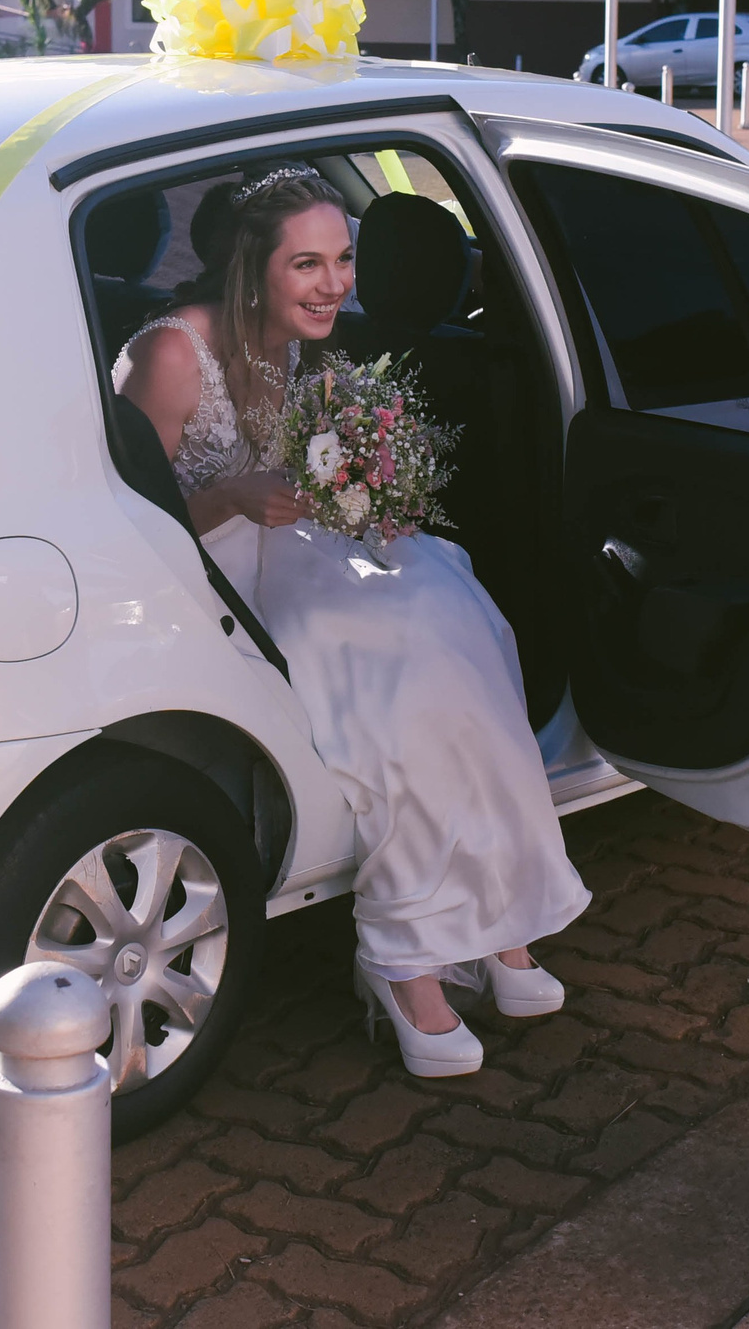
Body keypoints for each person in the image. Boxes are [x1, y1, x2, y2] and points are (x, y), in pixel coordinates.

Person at [114, 165, 590, 1079]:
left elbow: (293, 469)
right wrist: (229, 494)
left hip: (289, 545)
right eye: (308, 264)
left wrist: (360, 495)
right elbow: (125, 516)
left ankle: (499, 921)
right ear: (255, 268)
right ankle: (406, 954)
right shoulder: (172, 351)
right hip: (201, 572)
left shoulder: (292, 342)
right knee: (398, 673)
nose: (335, 283)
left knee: (461, 618)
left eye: (344, 259)